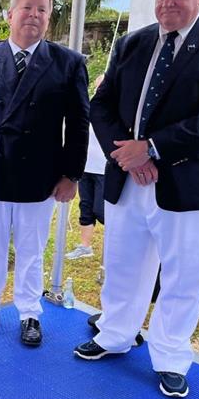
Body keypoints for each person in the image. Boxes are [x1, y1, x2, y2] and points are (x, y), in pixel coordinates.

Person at [73, 0, 199, 399]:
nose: (166, 4)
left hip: (191, 187)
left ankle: (171, 355)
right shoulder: (133, 43)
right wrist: (129, 154)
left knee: (184, 276)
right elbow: (101, 105)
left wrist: (152, 147)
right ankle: (115, 334)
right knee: (122, 264)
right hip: (129, 179)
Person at [0, 0, 89, 346]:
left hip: (39, 173)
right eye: (27, 8)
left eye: (42, 10)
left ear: (49, 18)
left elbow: (78, 123)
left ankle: (29, 312)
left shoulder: (68, 63)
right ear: (9, 14)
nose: (34, 15)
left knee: (31, 248)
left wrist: (71, 174)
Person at [67, 74, 107, 262]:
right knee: (86, 206)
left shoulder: (113, 110)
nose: (99, 90)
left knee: (101, 209)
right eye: (97, 86)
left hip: (104, 169)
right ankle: (85, 246)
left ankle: (112, 245)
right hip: (87, 166)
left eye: (103, 87)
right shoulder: (90, 108)